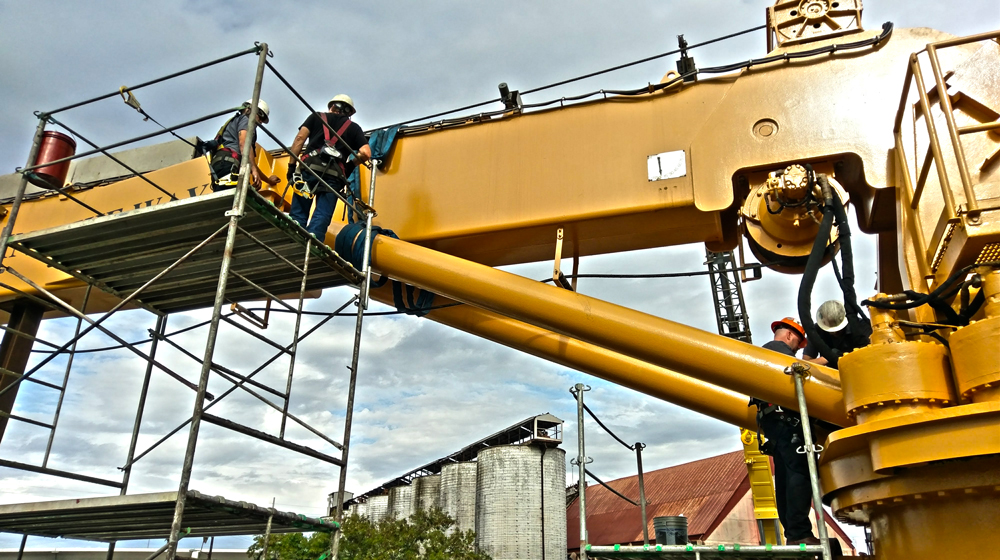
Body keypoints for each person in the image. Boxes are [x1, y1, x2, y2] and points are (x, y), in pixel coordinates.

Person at [751, 317, 820, 546]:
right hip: (786, 421)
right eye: (797, 344)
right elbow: (797, 370)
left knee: (785, 475)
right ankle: (799, 532)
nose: (797, 351)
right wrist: (825, 360)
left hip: (774, 420)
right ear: (790, 335)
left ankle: (793, 531)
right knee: (798, 472)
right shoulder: (776, 350)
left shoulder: (765, 355)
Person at [286, 94, 371, 239]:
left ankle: (293, 237)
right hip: (335, 175)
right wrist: (349, 166)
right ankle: (313, 240)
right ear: (349, 113)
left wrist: (291, 167)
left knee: (300, 210)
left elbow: (300, 138)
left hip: (310, 169)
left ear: (331, 106)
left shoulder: (316, 117)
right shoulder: (354, 128)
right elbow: (365, 153)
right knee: (322, 214)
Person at [209, 100, 279, 190]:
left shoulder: (235, 122)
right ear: (250, 110)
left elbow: (249, 161)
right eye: (260, 117)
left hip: (224, 164)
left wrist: (268, 181)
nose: (260, 122)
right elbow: (244, 143)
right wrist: (253, 170)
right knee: (236, 200)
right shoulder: (246, 120)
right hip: (229, 165)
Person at [802, 300, 871, 369]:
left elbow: (872, 356)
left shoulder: (861, 327)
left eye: (838, 330)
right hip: (831, 376)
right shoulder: (816, 331)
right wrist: (828, 357)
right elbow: (805, 364)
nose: (834, 333)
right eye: (830, 330)